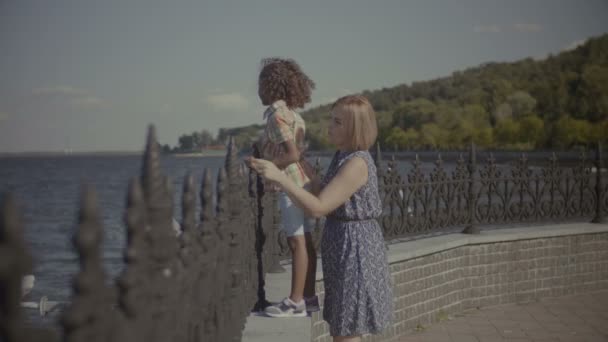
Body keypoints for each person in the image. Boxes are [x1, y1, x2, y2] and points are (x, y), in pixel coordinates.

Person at [248, 95, 393, 341]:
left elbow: (318, 208)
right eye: (331, 119)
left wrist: (280, 178)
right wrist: (299, 167)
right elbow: (321, 190)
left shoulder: (357, 162)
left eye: (337, 122)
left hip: (356, 251)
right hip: (344, 247)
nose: (329, 126)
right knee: (343, 328)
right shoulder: (342, 156)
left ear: (353, 128)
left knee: (346, 331)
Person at [255, 57, 319, 317]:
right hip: (302, 182)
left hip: (290, 185)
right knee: (306, 242)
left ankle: (295, 302)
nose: (257, 90)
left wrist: (268, 168)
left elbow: (291, 154)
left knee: (296, 242)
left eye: (260, 84)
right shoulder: (295, 116)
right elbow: (299, 154)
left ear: (271, 86)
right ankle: (309, 297)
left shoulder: (276, 116)